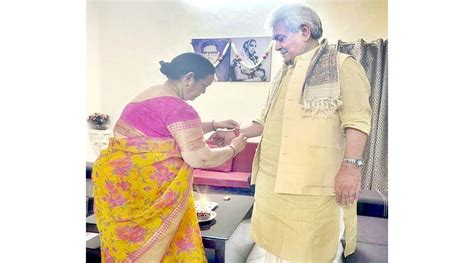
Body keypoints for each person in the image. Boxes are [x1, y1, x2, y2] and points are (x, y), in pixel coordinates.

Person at [211, 3, 371, 262]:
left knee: (312, 249)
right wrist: (237, 134)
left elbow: (358, 121)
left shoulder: (342, 66)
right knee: (275, 246)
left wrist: (351, 168)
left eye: (280, 38)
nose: (277, 46)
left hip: (311, 185)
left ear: (305, 31)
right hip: (272, 182)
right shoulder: (284, 72)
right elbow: (265, 120)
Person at [92, 52, 247, 262]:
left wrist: (213, 124)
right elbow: (200, 159)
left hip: (116, 188)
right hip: (145, 192)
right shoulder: (179, 109)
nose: (203, 92)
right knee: (163, 248)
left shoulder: (150, 94)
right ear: (189, 78)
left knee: (125, 247)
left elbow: (165, 129)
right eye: (204, 86)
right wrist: (234, 148)